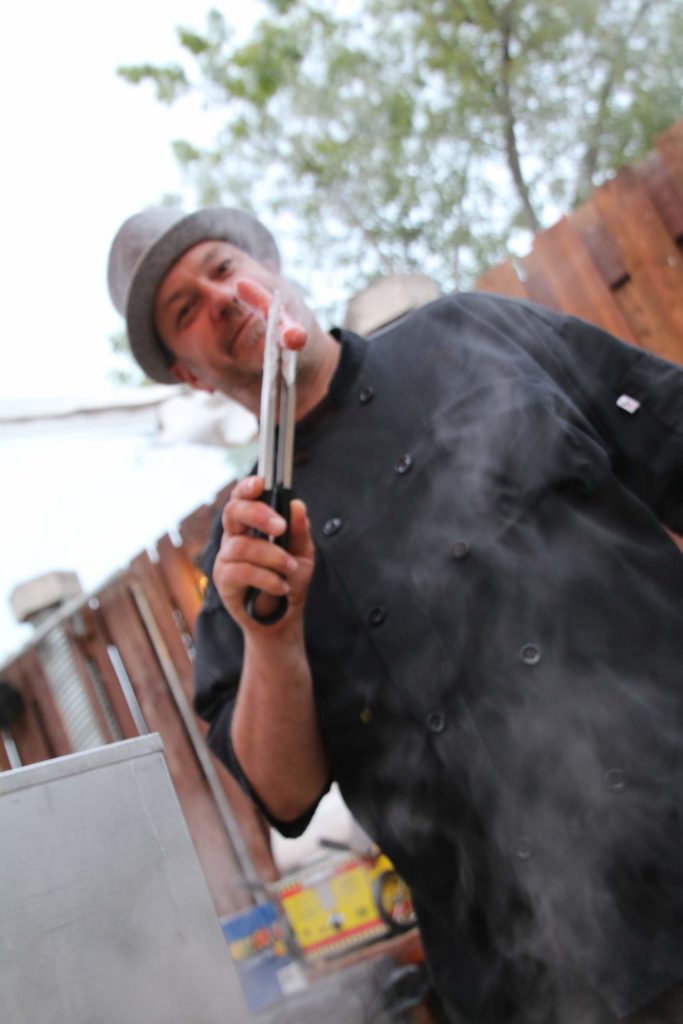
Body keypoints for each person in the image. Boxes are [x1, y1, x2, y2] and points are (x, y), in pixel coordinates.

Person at [108, 206, 683, 1024]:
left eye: (219, 266)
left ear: (266, 262)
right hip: (540, 975)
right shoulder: (243, 557)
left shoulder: (472, 334)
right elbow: (286, 793)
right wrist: (272, 640)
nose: (221, 298)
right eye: (184, 310)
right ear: (190, 375)